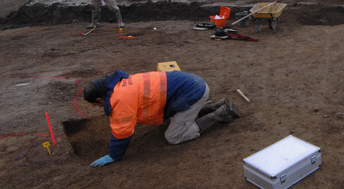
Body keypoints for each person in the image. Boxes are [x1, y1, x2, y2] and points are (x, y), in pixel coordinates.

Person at [83, 70, 240, 167]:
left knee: (173, 136)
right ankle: (214, 106)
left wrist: (114, 155)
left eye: (97, 105)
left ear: (98, 99)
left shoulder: (120, 98)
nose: (99, 108)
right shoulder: (121, 83)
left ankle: (220, 114)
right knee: (177, 120)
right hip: (192, 85)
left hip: (193, 92)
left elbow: (122, 131)